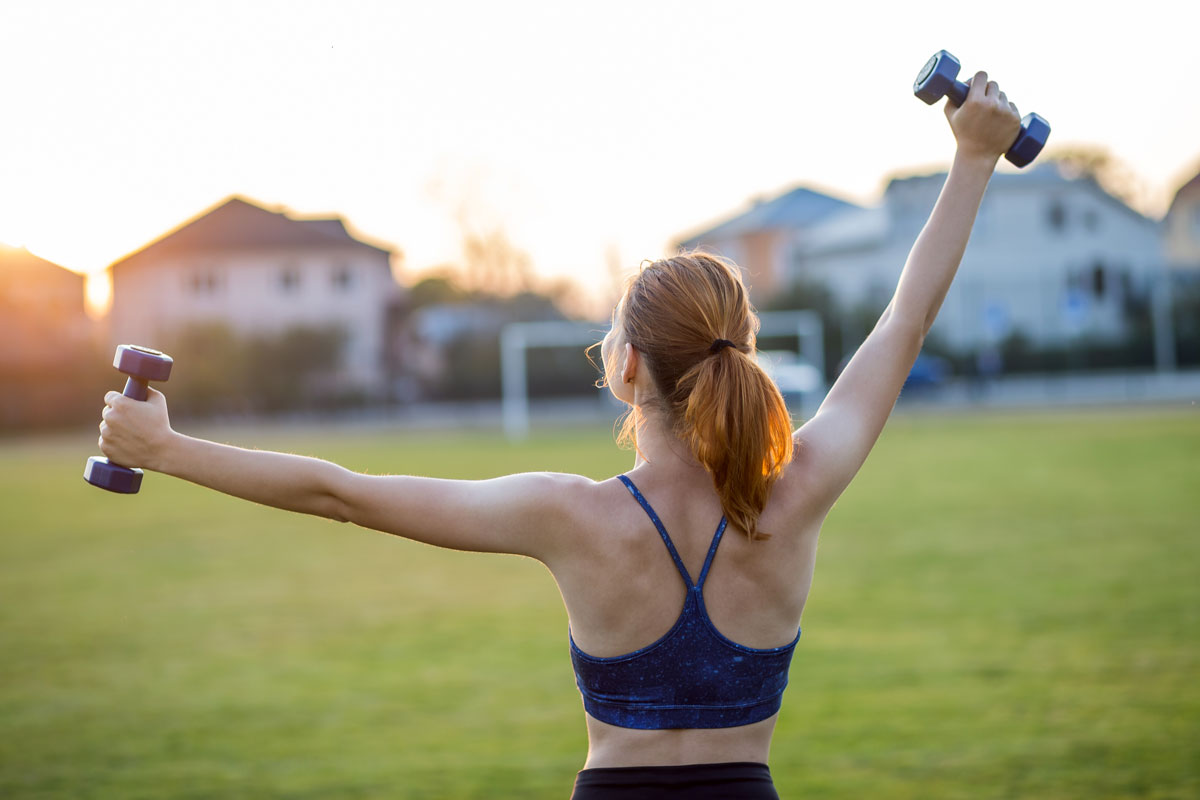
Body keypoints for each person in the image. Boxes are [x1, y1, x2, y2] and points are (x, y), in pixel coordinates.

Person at [97, 72, 1022, 798]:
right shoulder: (800, 489)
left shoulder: (565, 515)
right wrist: (972, 159)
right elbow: (904, 320)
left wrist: (168, 450)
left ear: (626, 371)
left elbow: (339, 492)